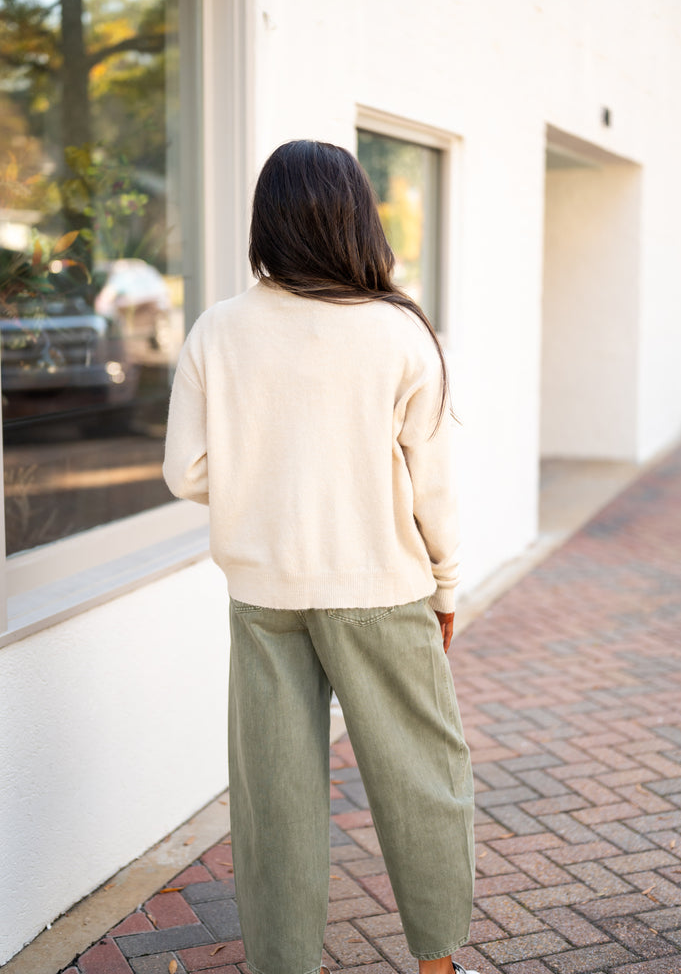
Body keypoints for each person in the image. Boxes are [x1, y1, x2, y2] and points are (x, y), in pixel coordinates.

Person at [163, 140, 476, 974]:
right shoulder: (399, 334)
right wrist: (446, 587)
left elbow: (185, 471)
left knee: (275, 802)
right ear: (356, 219)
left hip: (265, 598)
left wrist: (262, 492)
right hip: (382, 591)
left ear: (266, 223)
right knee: (421, 779)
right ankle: (438, 966)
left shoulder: (218, 329)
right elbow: (431, 489)